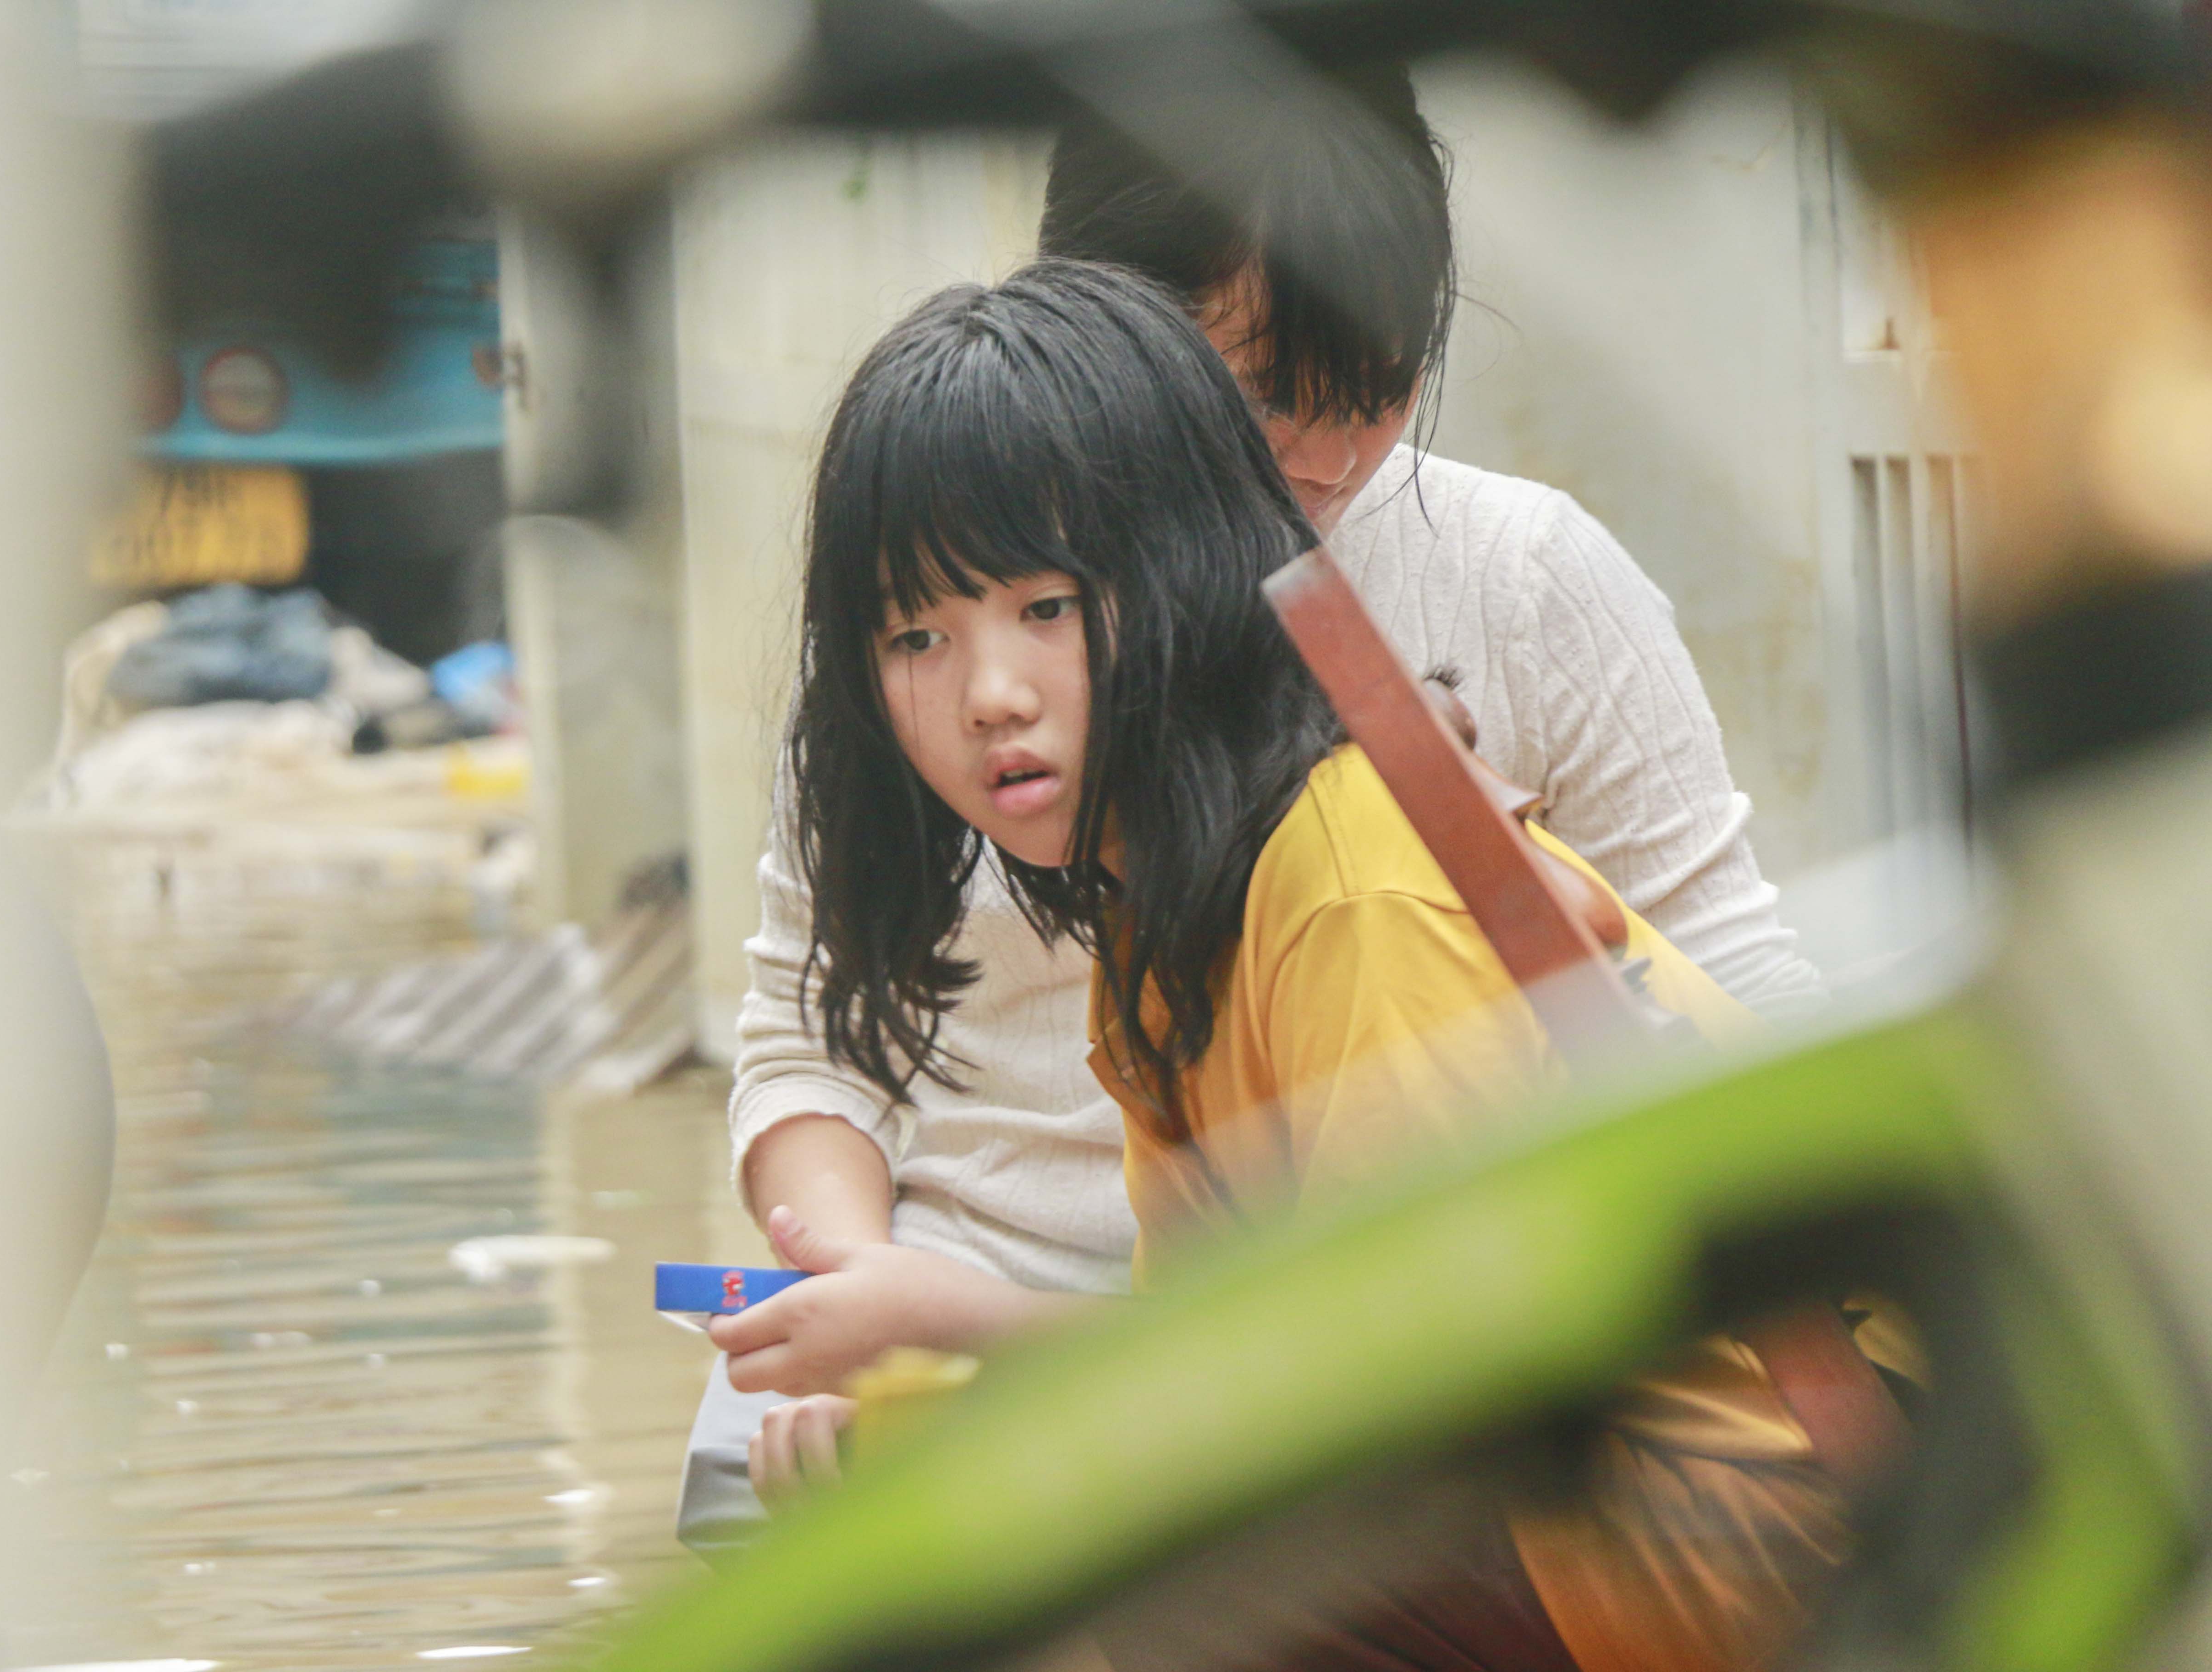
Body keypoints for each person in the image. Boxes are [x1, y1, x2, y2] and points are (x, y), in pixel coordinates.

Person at [685, 74, 1823, 1534]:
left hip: (1330, 1380)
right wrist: (854, 1306)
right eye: (1271, 395)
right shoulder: (978, 683)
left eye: (1381, 385)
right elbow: (809, 1031)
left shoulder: (1375, 824)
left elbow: (1401, 1370)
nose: (1331, 459)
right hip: (1094, 1339)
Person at [776, 257, 1898, 1672]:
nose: (989, 694)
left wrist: (961, 1371)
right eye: (917, 635)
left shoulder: (1346, 891)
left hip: (1767, 1579)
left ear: (1181, 573)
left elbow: (1389, 1410)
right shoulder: (1179, 899)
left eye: (1048, 607)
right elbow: (1223, 1347)